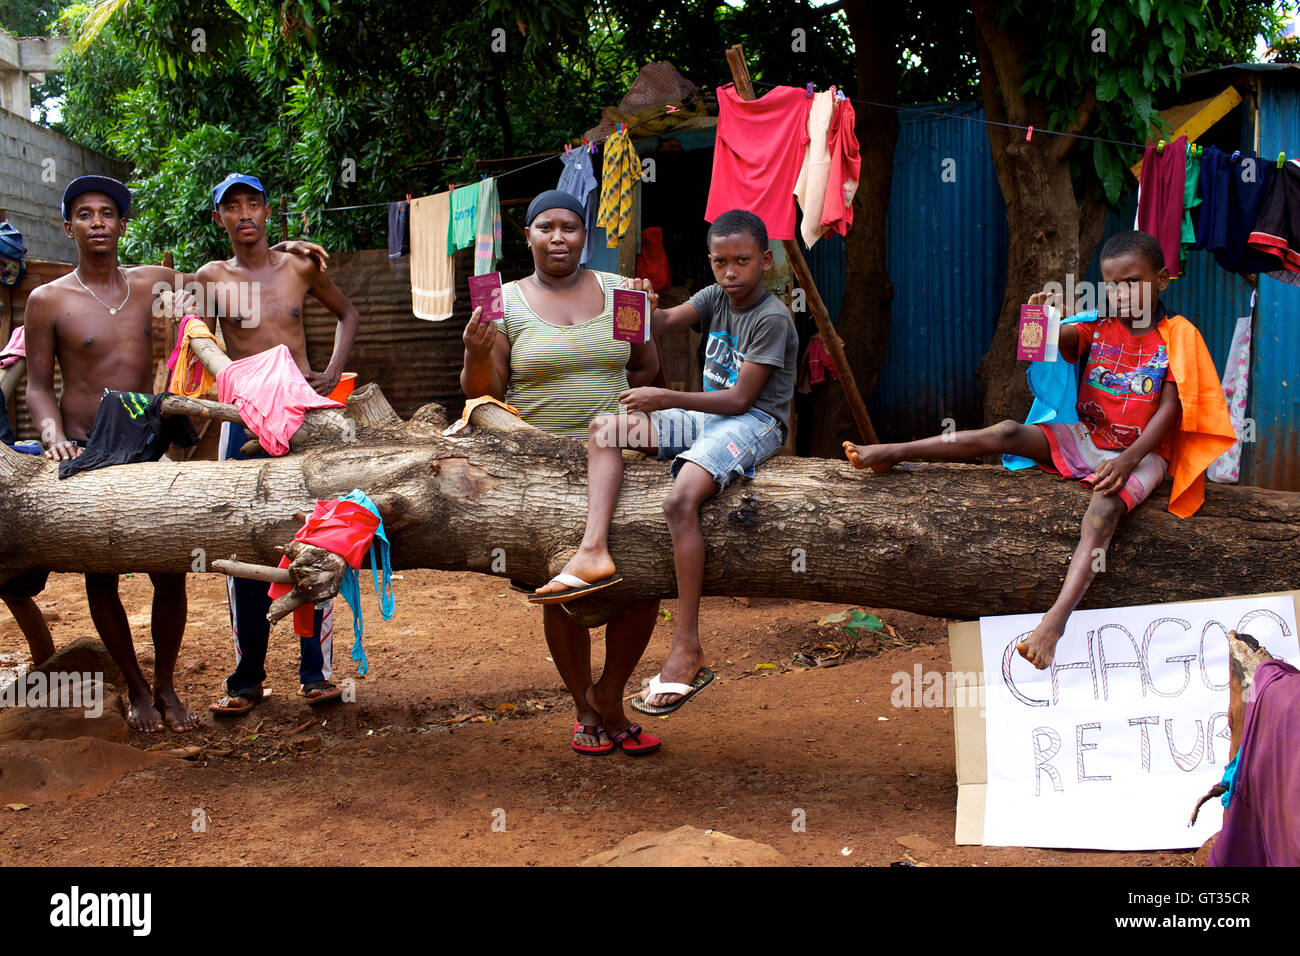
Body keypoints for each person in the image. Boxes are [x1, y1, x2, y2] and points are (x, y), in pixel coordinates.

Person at [844, 230, 1234, 669]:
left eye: (1133, 281)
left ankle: (1055, 620)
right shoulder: (1094, 328)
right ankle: (895, 452)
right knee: (1008, 430)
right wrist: (1043, 315)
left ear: (1162, 280)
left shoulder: (1178, 336)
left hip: (1144, 454)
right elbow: (1034, 348)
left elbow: (1172, 410)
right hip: (1089, 438)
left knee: (1103, 511)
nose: (1122, 294)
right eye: (1112, 284)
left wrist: (1127, 462)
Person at [534, 209, 798, 718]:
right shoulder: (715, 296)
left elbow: (742, 400)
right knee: (606, 428)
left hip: (753, 422)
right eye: (720, 262)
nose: (730, 272)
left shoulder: (772, 318)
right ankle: (592, 551)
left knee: (680, 501)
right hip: (708, 417)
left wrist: (665, 396)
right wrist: (638, 303)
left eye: (742, 261)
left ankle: (687, 646)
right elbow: (664, 323)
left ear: (765, 260)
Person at [460, 189, 663, 754]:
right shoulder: (496, 300)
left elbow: (648, 370)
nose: (557, 237)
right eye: (545, 226)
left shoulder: (623, 292)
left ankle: (611, 695)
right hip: (543, 469)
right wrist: (475, 353)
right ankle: (583, 705)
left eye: (569, 227)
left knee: (643, 580)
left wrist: (646, 331)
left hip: (626, 465)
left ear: (585, 235)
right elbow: (486, 395)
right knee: (563, 588)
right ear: (527, 235)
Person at [198, 173, 361, 715]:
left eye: (253, 203)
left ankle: (316, 672)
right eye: (232, 206)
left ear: (268, 211)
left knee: (319, 537)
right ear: (220, 218)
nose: (244, 213)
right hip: (243, 424)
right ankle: (247, 678)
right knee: (244, 540)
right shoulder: (211, 276)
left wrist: (330, 371)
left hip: (303, 421)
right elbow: (190, 334)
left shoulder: (299, 266)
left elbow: (348, 313)